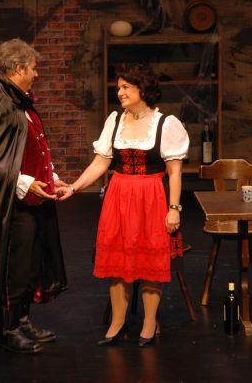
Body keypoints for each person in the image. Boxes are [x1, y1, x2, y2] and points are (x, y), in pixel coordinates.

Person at [59, 63, 189, 347]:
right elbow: (100, 163)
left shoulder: (166, 124)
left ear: (142, 89)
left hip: (151, 197)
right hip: (118, 197)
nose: (120, 92)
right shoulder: (115, 120)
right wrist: (73, 187)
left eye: (126, 87)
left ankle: (149, 323)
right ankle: (117, 323)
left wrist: (174, 208)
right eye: (118, 87)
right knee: (117, 262)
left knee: (150, 262)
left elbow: (175, 172)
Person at [0, 38, 69, 355]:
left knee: (31, 264)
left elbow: (33, 149)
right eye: (33, 68)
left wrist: (51, 178)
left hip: (33, 200)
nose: (36, 74)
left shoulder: (20, 103)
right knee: (15, 267)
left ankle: (22, 321)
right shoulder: (1, 105)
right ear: (18, 68)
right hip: (13, 205)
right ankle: (8, 330)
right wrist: (25, 183)